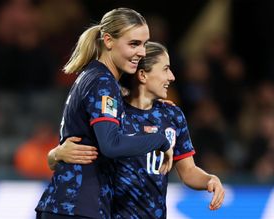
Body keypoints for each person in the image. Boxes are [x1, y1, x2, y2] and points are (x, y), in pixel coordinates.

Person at [49, 42, 225, 218]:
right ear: (142, 75)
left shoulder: (172, 115)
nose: (171, 77)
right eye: (165, 69)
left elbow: (188, 171)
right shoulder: (111, 113)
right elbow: (78, 154)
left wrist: (209, 179)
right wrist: (56, 154)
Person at [35, 8, 173, 219]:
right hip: (80, 206)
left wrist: (54, 155)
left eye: (144, 44)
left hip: (66, 204)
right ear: (108, 40)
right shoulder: (103, 82)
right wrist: (160, 141)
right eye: (134, 44)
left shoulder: (92, 75)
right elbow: (111, 144)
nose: (142, 52)